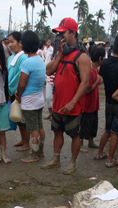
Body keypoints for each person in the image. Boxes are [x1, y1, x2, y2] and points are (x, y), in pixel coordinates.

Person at [43, 17, 91, 175]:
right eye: (58, 33)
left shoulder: (82, 57)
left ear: (73, 33)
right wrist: (59, 56)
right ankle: (56, 159)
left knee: (74, 135)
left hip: (73, 106)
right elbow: (48, 71)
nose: (59, 37)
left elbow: (85, 83)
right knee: (57, 132)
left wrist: (72, 102)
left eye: (63, 33)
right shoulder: (60, 53)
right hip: (58, 104)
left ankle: (72, 163)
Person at [94, 31, 118, 165]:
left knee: (107, 130)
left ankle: (100, 152)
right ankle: (110, 159)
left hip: (108, 102)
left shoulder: (105, 63)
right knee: (115, 132)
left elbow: (102, 78)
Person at [15, 30, 46, 163]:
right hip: (39, 97)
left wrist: (18, 94)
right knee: (39, 126)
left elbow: (22, 84)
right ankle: (40, 151)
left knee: (33, 128)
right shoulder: (39, 59)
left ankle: (34, 154)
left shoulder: (27, 62)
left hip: (29, 100)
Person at [7, 31, 31, 152]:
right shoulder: (11, 57)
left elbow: (19, 77)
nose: (10, 45)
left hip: (19, 92)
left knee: (24, 120)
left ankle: (27, 143)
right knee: (19, 118)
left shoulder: (23, 57)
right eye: (9, 42)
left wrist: (14, 90)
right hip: (12, 91)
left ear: (20, 42)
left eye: (12, 42)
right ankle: (23, 140)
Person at [79, 45, 104, 153]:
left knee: (93, 123)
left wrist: (98, 81)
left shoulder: (94, 69)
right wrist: (97, 82)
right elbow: (87, 89)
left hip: (94, 103)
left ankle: (91, 140)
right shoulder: (89, 70)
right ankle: (80, 143)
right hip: (87, 103)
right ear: (100, 58)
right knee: (85, 123)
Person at [42, 38, 56, 120]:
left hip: (58, 78)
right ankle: (51, 113)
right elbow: (46, 66)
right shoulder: (50, 54)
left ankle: (55, 115)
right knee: (48, 97)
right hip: (49, 77)